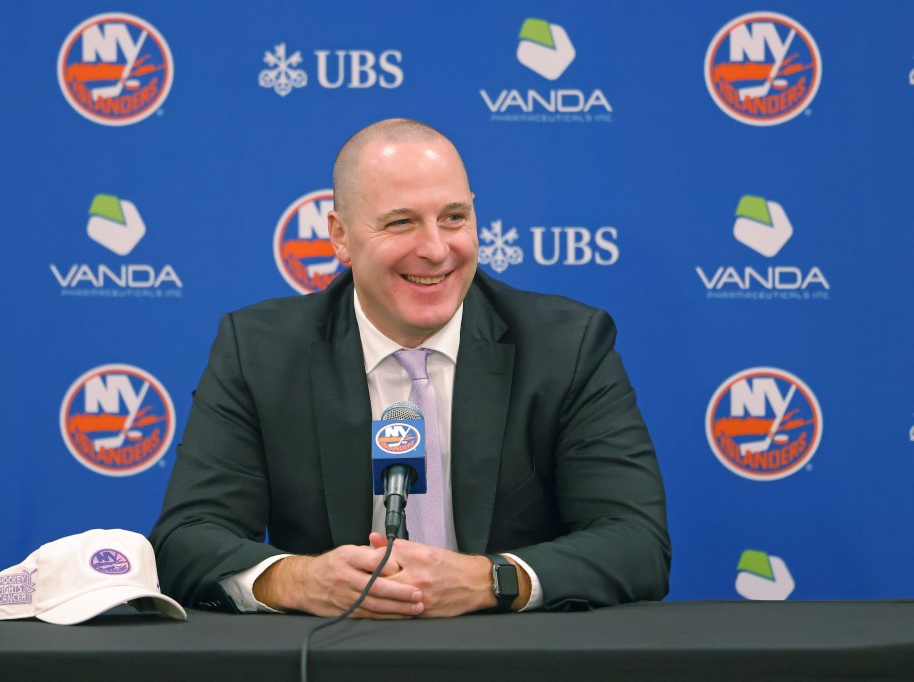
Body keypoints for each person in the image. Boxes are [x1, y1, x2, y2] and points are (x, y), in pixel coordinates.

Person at [149, 118, 670, 618]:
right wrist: (300, 580)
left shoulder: (566, 344)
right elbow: (186, 540)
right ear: (340, 237)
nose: (436, 248)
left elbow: (636, 541)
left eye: (454, 217)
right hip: (337, 660)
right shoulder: (260, 351)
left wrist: (488, 580)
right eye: (401, 222)